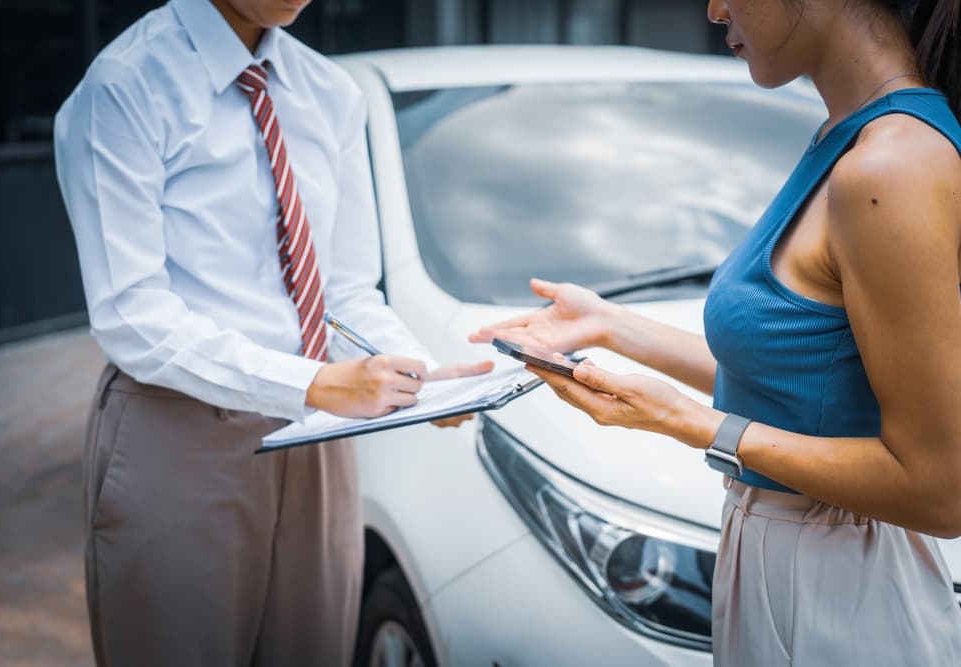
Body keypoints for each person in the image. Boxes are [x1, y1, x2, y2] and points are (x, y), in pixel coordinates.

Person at [472, 0, 961, 663]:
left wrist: (693, 423)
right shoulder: (849, 137)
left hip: (838, 589)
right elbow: (801, 383)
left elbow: (942, 488)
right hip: (810, 569)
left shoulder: (888, 166)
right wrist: (612, 325)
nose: (713, 8)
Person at [53, 0, 491, 664]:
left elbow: (345, 289)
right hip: (179, 431)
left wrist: (418, 377)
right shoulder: (125, 84)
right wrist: (315, 383)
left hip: (318, 436)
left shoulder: (331, 93)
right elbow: (131, 313)